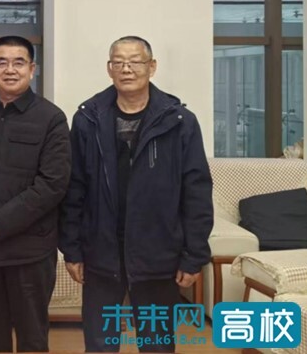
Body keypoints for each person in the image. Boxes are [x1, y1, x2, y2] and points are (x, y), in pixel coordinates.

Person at [59, 36, 213, 353]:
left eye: (135, 61)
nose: (126, 69)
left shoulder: (179, 121)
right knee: (100, 344)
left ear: (151, 67)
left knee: (157, 344)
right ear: (109, 69)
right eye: (118, 62)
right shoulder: (88, 119)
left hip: (158, 251)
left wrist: (194, 255)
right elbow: (74, 187)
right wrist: (72, 249)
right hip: (101, 249)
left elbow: (196, 192)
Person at [0, 35, 71, 353]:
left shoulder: (51, 118)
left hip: (29, 250)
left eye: (19, 62)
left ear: (32, 69)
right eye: (2, 62)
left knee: (32, 338)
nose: (10, 70)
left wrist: (0, 222)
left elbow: (52, 184)